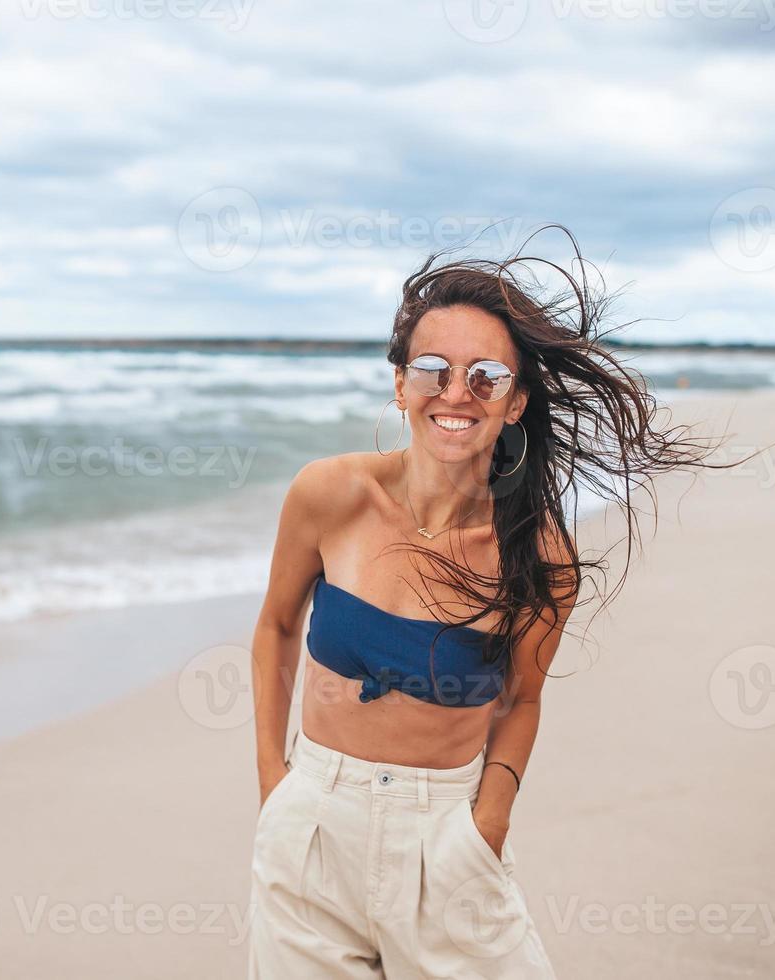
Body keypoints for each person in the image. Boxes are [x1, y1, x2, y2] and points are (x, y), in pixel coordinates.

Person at [246, 229, 739, 977]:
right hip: (311, 828)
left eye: (485, 376)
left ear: (515, 404)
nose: (455, 394)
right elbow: (277, 627)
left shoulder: (539, 556)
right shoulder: (330, 495)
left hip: (445, 837)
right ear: (400, 384)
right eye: (433, 369)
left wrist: (489, 821)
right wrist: (273, 786)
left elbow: (521, 700)